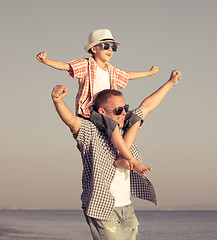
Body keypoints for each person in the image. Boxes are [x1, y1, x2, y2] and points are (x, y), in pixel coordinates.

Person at [51, 70, 182, 240]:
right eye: (118, 110)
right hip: (103, 207)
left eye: (125, 108)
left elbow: (147, 106)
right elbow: (71, 121)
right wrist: (58, 101)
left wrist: (170, 83)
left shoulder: (126, 127)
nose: (123, 113)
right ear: (102, 112)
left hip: (126, 207)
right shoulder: (91, 132)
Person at [37, 29, 158, 175]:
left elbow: (129, 75)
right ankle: (132, 159)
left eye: (113, 47)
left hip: (109, 112)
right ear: (94, 49)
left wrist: (149, 73)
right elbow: (65, 66)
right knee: (113, 127)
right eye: (106, 46)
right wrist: (46, 61)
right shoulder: (86, 65)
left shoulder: (111, 70)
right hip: (91, 111)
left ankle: (121, 157)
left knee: (135, 119)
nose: (110, 50)